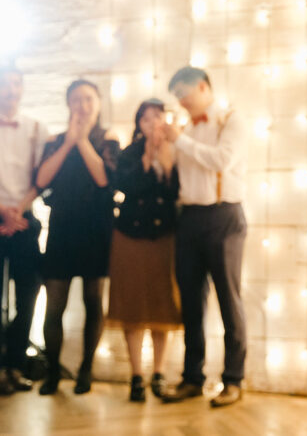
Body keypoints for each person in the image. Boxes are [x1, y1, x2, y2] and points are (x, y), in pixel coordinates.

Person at [158, 66, 247, 409]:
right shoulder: (182, 131)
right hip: (189, 218)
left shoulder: (232, 120)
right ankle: (192, 378)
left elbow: (222, 160)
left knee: (229, 300)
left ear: (203, 86)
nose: (180, 99)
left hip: (224, 214)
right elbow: (175, 173)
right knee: (191, 302)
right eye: (176, 94)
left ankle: (233, 379)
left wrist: (179, 139)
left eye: (183, 91)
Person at [34, 79, 119, 396]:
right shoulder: (56, 140)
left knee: (93, 300)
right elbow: (41, 179)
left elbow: (102, 178)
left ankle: (86, 370)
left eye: (88, 99)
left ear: (98, 103)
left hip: (96, 229)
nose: (82, 106)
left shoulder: (108, 139)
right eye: (76, 100)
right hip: (62, 229)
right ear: (67, 104)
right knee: (53, 304)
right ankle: (53, 372)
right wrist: (70, 141)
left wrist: (82, 141)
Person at [110, 98, 181, 402]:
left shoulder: (179, 150)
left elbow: (177, 190)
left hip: (165, 235)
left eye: (158, 116)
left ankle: (159, 373)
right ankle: (136, 375)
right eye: (146, 118)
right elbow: (126, 185)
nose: (152, 123)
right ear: (138, 124)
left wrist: (164, 159)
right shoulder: (128, 153)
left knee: (162, 305)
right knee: (133, 306)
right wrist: (147, 155)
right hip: (130, 235)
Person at [0, 66, 46, 395]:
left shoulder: (36, 127)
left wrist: (17, 211)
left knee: (28, 293)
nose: (11, 89)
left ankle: (16, 365)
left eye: (16, 83)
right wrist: (0, 211)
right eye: (4, 83)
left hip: (24, 218)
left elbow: (41, 178)